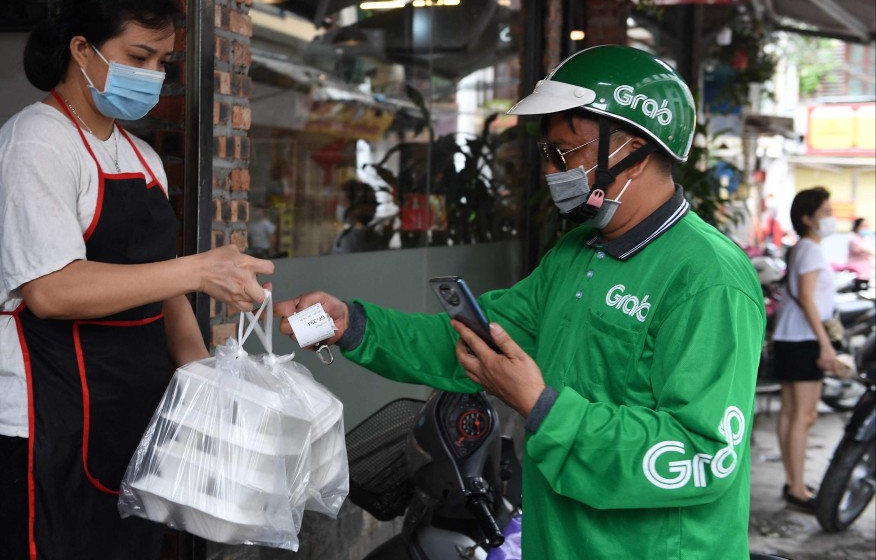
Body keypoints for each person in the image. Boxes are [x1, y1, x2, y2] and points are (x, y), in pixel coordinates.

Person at [275, 45, 766, 558]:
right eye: (547, 154)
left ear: (633, 149)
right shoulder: (576, 255)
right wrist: (353, 325)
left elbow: (702, 455)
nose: (552, 171)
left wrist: (543, 408)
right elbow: (473, 342)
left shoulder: (709, 279)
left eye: (566, 153)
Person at [0, 0, 273, 560]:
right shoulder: (35, 143)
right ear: (82, 49)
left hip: (131, 415)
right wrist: (196, 269)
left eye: (162, 62)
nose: (152, 76)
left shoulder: (141, 157)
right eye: (139, 56)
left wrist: (211, 396)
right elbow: (52, 291)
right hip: (46, 424)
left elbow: (164, 295)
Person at [771, 187, 840, 512]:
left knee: (790, 413)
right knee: (804, 415)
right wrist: (825, 345)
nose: (831, 217)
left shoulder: (801, 248)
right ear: (807, 218)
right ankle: (798, 488)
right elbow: (809, 298)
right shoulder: (810, 250)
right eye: (825, 212)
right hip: (804, 339)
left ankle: (793, 482)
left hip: (790, 337)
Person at [332, 179, 383, 254]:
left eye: (374, 203)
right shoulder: (349, 235)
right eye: (368, 202)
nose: (374, 207)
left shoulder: (362, 235)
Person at [846, 217, 874, 281]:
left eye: (867, 226)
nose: (866, 228)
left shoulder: (866, 239)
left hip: (866, 273)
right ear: (857, 227)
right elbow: (869, 251)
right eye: (864, 226)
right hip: (857, 274)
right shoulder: (854, 239)